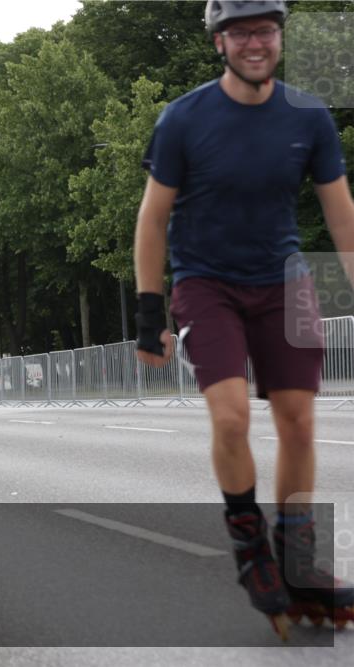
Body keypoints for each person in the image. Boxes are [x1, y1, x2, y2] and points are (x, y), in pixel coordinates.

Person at [134, 0, 354, 638]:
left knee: (300, 421)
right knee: (231, 418)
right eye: (240, 33)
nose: (254, 43)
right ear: (219, 43)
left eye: (265, 30)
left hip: (284, 280)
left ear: (280, 38)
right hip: (206, 284)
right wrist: (151, 309)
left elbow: (340, 213)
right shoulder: (184, 118)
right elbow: (152, 218)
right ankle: (253, 549)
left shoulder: (309, 116)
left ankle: (300, 562)